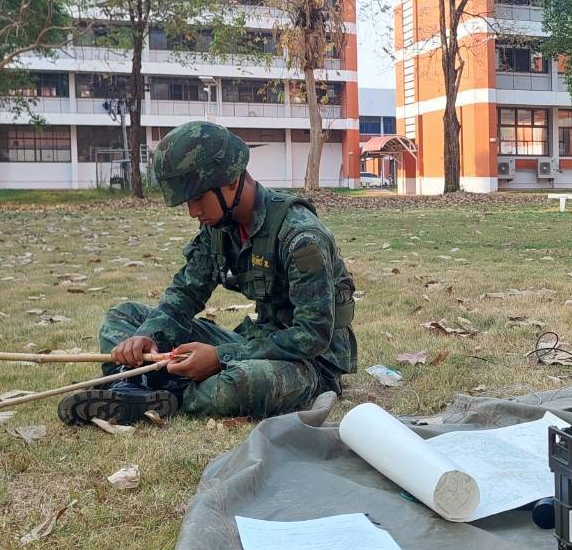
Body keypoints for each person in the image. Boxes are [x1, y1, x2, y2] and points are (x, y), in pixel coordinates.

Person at [58, 121, 357, 426]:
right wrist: (148, 336)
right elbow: (185, 295)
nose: (192, 211)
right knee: (123, 319)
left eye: (198, 198)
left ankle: (157, 391)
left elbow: (313, 336)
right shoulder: (218, 228)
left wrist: (219, 357)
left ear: (231, 181)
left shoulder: (300, 236)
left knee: (238, 385)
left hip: (309, 362)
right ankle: (137, 385)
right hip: (256, 341)